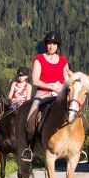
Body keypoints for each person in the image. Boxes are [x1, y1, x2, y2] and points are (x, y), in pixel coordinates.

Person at [21, 31, 71, 162]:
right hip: (43, 93)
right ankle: (29, 149)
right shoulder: (39, 59)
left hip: (60, 94)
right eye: (49, 43)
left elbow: (67, 80)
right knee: (30, 119)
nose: (51, 46)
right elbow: (35, 81)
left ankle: (78, 148)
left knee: (77, 114)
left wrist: (65, 87)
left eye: (54, 44)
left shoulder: (63, 61)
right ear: (46, 45)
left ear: (57, 46)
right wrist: (52, 87)